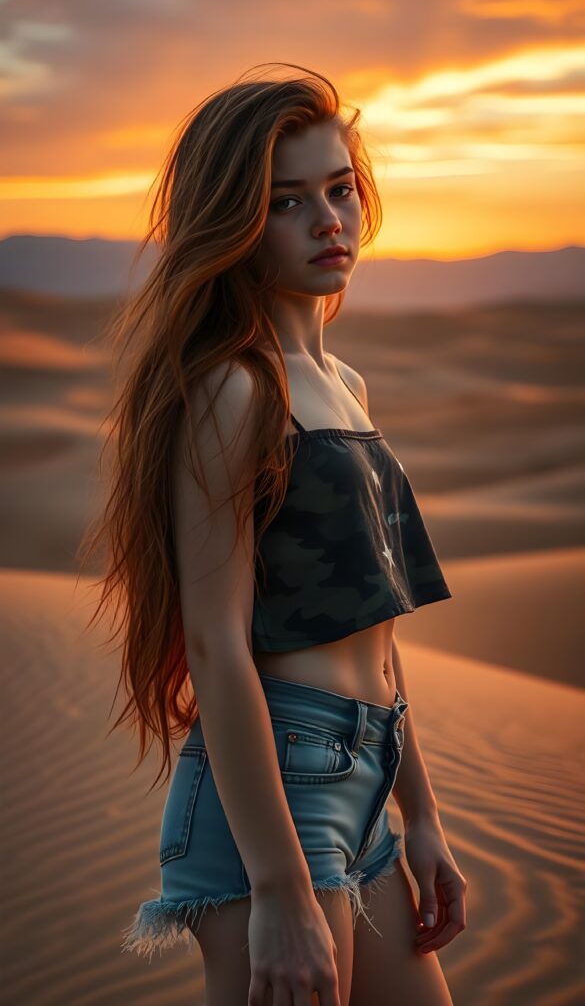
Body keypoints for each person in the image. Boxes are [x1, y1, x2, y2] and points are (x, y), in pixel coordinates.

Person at [79, 62, 466, 1005]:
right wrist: (281, 888)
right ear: (236, 225)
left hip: (365, 773)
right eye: (286, 202)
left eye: (339, 189)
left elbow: (372, 627)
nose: (328, 220)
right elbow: (216, 643)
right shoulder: (232, 388)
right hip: (277, 792)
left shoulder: (346, 385)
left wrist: (421, 814)